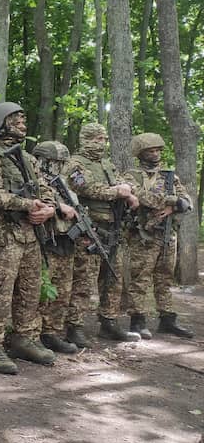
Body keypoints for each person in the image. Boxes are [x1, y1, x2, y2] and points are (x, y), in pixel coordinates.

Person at [0, 102, 57, 375]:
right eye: (16, 120)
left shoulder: (28, 159)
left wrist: (47, 209)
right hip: (3, 234)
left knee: (29, 291)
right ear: (0, 123)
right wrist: (27, 205)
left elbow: (46, 191)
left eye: (23, 119)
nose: (23, 124)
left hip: (30, 234)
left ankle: (24, 338)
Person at [63, 123, 140, 343]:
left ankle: (109, 322)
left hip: (113, 229)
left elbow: (120, 183)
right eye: (97, 139)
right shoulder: (75, 164)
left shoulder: (106, 164)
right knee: (84, 281)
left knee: (112, 279)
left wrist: (128, 193)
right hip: (89, 229)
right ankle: (75, 326)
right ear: (86, 139)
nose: (101, 143)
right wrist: (116, 191)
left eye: (103, 139)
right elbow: (83, 187)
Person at [124, 133, 195, 338]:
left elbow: (186, 202)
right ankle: (137, 321)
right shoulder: (131, 175)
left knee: (165, 278)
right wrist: (172, 201)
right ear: (141, 153)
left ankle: (167, 319)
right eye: (150, 151)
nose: (155, 154)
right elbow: (140, 196)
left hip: (167, 234)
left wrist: (172, 208)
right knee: (140, 278)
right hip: (143, 235)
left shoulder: (169, 176)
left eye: (158, 150)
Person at [32, 141, 80, 353]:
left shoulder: (63, 184)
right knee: (42, 291)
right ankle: (35, 333)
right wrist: (60, 207)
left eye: (61, 162)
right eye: (53, 162)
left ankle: (51, 332)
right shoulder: (34, 179)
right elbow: (35, 200)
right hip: (46, 241)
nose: (57, 166)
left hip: (65, 242)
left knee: (62, 291)